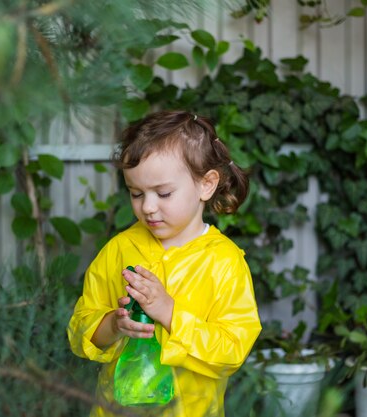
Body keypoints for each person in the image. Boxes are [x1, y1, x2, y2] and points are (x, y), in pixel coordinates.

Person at [67, 110, 262, 417]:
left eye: (164, 193)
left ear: (206, 184)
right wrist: (114, 325)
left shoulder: (224, 262)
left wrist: (170, 314)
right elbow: (80, 330)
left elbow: (232, 350)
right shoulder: (119, 249)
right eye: (136, 193)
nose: (148, 207)